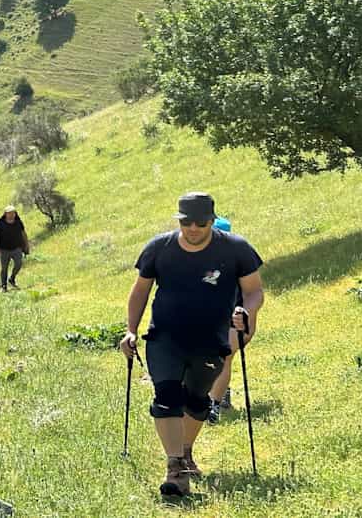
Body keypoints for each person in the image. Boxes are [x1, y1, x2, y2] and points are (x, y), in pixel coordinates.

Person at [118, 192, 264, 497]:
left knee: (197, 401)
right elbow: (140, 292)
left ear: (212, 220)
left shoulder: (236, 249)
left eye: (201, 222)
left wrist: (245, 313)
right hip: (165, 338)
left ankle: (184, 451)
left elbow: (253, 292)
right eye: (187, 222)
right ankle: (175, 469)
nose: (193, 228)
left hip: (211, 340)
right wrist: (130, 331)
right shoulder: (159, 248)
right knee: (167, 397)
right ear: (178, 220)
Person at [206, 217, 243, 423]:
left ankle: (214, 406)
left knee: (224, 357)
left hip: (232, 319)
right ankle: (222, 392)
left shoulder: (239, 260)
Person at [0, 205, 30, 292]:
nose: (11, 215)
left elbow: (23, 234)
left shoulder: (18, 223)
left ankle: (12, 278)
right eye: (9, 213)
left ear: (15, 214)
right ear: (5, 214)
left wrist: (26, 245)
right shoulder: (0, 224)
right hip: (4, 250)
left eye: (13, 213)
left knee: (19, 264)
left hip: (16, 248)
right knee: (4, 268)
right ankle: (4, 286)